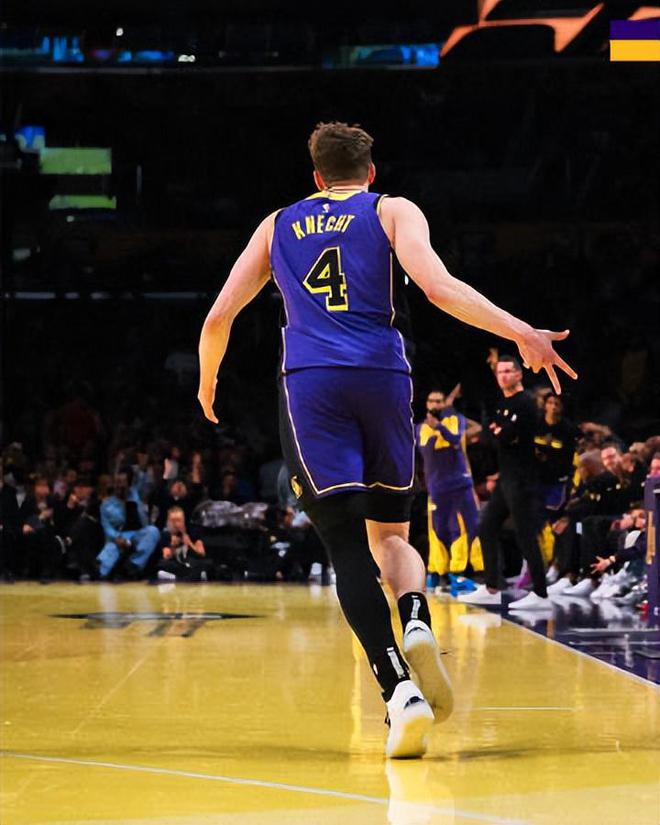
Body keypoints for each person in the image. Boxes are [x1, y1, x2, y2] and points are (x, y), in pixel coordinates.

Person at [197, 121, 576, 758]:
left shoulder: (276, 224)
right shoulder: (393, 209)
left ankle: (398, 690)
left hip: (313, 385)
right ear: (370, 172)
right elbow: (439, 289)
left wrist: (208, 384)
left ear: (316, 176)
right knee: (392, 535)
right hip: (383, 376)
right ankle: (417, 616)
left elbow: (217, 318)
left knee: (345, 543)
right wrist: (520, 331)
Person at [459, 356, 551, 610]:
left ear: (519, 374)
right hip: (506, 477)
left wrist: (499, 432)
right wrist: (498, 431)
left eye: (509, 371)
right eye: (500, 372)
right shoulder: (503, 404)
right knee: (486, 526)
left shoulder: (525, 403)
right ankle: (491, 587)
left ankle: (541, 594)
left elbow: (505, 436)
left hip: (522, 478)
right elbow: (490, 439)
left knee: (525, 533)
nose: (504, 376)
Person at [416, 386, 483, 581]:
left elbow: (457, 439)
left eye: (439, 401)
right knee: (439, 530)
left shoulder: (456, 420)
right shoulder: (419, 428)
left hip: (459, 484)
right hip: (436, 487)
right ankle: (439, 572)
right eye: (431, 401)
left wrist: (441, 423)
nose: (434, 404)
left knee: (468, 527)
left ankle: (470, 571)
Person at [96, 467, 160, 580]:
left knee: (153, 531)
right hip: (119, 537)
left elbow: (148, 483)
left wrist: (141, 467)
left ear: (128, 484)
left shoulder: (136, 494)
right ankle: (103, 572)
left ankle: (133, 565)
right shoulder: (106, 505)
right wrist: (117, 538)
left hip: (137, 535)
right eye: (117, 482)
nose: (119, 485)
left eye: (122, 482)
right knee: (107, 559)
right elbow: (106, 527)